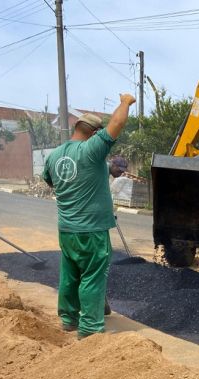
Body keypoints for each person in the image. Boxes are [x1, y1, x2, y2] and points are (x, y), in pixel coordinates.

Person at [43, 94, 136, 339]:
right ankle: (90, 328)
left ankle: (68, 319)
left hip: (67, 229)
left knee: (71, 274)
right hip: (91, 230)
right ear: (94, 134)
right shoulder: (91, 149)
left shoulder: (54, 156)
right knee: (93, 276)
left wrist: (107, 170)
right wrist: (126, 102)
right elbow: (116, 124)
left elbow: (53, 181)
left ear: (76, 127)